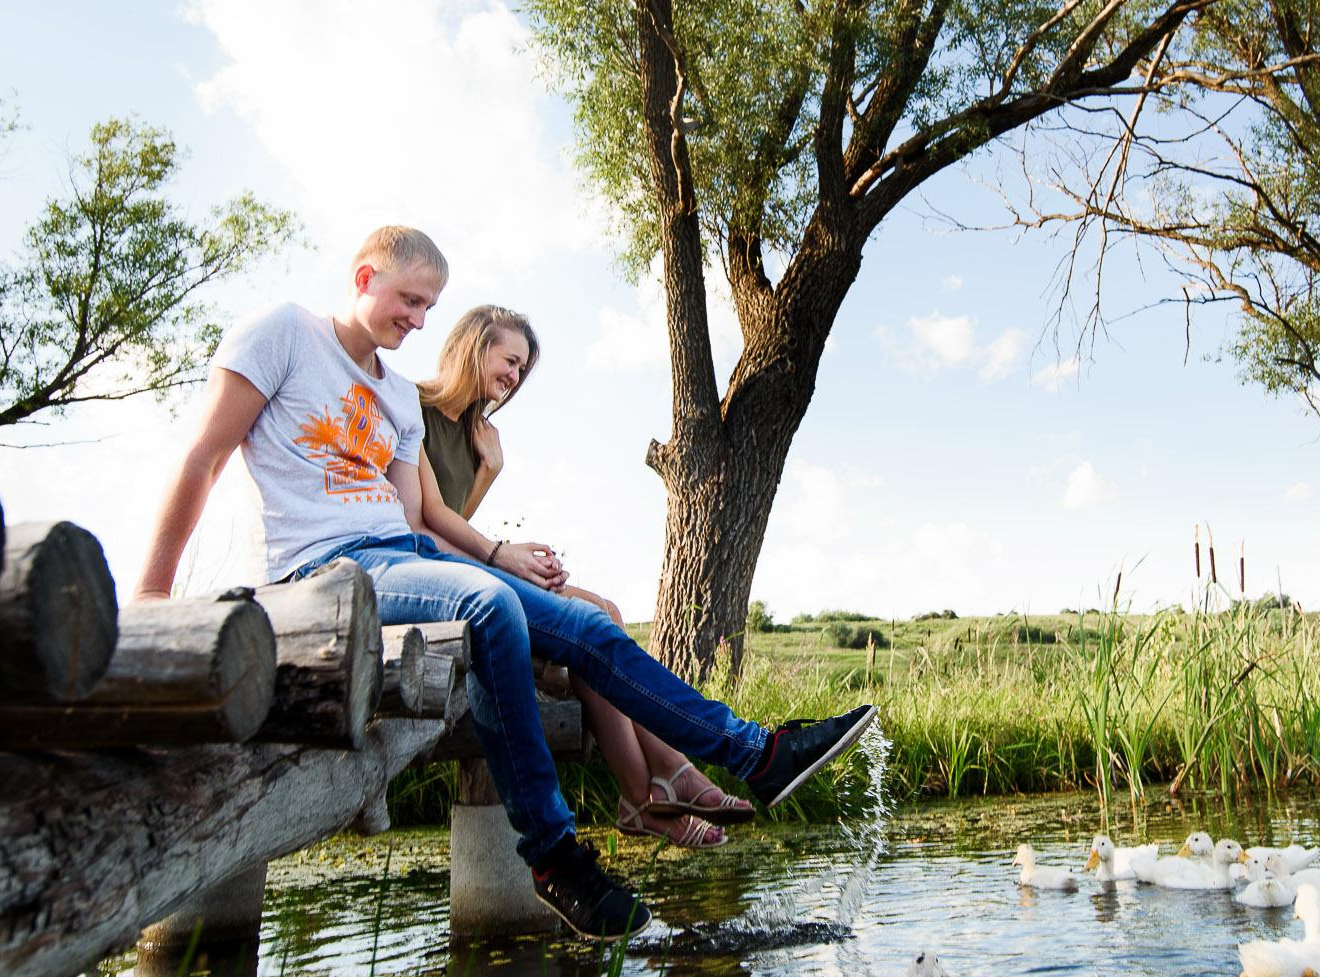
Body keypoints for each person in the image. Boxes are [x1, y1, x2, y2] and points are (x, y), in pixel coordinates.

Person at [135, 225, 875, 939]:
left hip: (398, 557)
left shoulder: (394, 397)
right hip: (320, 573)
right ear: (366, 277)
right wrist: (152, 598)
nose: (419, 319)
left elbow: (413, 518)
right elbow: (203, 456)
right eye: (410, 300)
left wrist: (483, 530)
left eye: (429, 306)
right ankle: (555, 854)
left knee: (583, 624)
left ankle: (760, 755)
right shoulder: (284, 333)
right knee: (488, 602)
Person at [415, 304, 749, 850]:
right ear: (475, 346)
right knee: (590, 621)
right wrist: (504, 556)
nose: (514, 378)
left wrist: (489, 473)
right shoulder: (412, 407)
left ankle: (653, 783)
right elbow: (429, 522)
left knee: (607, 611)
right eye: (510, 360)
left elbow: (459, 517)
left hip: (468, 561)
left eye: (523, 370)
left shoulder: (481, 434)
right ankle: (655, 785)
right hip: (437, 573)